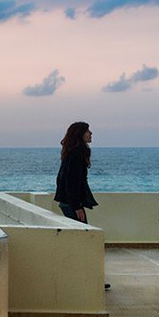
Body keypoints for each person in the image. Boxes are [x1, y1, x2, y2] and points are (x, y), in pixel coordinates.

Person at [54, 122, 109, 289]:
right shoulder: (77, 152)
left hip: (68, 202)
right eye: (87, 131)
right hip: (72, 203)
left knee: (82, 240)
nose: (91, 133)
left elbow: (64, 178)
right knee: (84, 241)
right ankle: (89, 280)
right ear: (80, 134)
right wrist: (77, 206)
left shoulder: (72, 151)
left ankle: (86, 277)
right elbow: (71, 181)